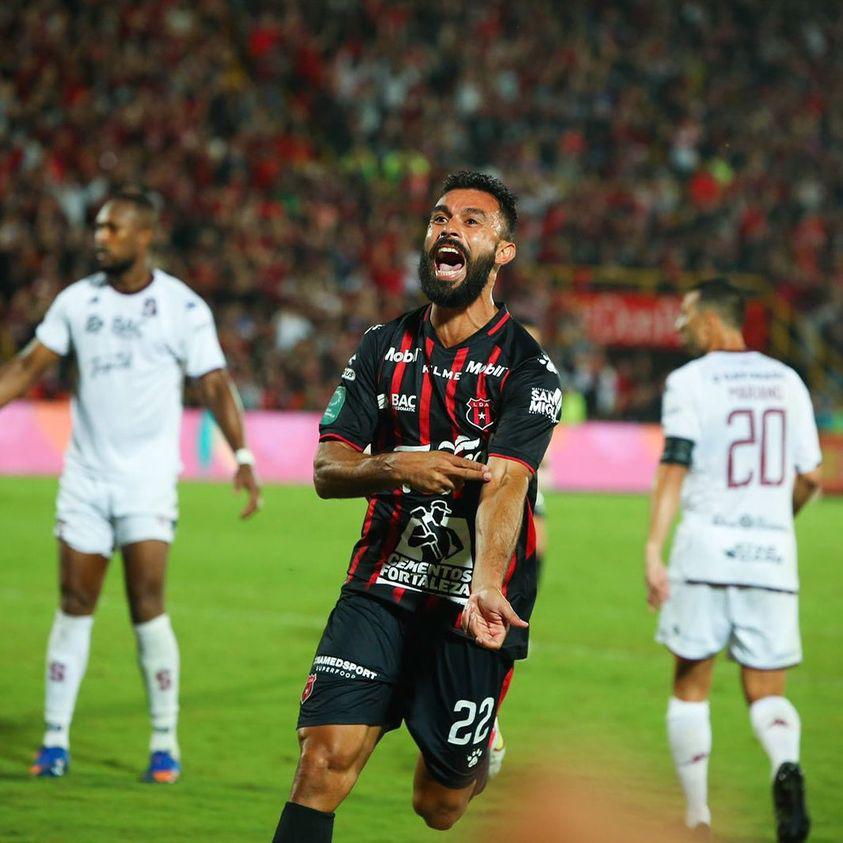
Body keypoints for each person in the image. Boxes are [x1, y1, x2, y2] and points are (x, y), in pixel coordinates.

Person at [271, 171, 562, 842]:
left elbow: (507, 483)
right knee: (321, 762)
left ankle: (479, 734)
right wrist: (395, 466)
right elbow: (326, 467)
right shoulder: (381, 346)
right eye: (439, 218)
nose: (449, 228)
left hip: (473, 601)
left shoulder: (526, 369)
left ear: (503, 251)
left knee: (438, 806)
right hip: (382, 583)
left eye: (471, 220)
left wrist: (485, 583)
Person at [0, 190, 261, 783]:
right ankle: (54, 741)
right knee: (73, 604)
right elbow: (26, 367)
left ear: (145, 236)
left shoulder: (181, 307)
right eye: (97, 227)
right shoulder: (76, 302)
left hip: (146, 484)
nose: (100, 237)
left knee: (147, 605)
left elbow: (214, 382)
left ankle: (164, 743)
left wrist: (242, 453)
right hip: (86, 481)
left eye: (113, 228)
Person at [644, 278, 821, 842]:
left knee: (691, 686)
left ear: (714, 320)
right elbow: (812, 476)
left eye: (687, 315)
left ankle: (696, 817)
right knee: (767, 693)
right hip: (772, 556)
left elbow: (673, 467)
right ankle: (784, 764)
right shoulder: (788, 381)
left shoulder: (689, 382)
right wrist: (775, 520)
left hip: (704, 552)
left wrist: (653, 546)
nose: (679, 326)